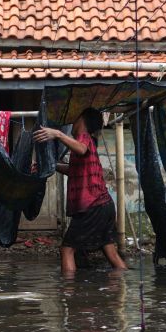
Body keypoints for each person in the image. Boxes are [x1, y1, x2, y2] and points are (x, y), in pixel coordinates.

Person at [34, 108, 128, 275]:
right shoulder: (86, 142)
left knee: (67, 249)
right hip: (104, 205)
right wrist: (52, 166)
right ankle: (122, 284)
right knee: (110, 251)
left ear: (82, 121)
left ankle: (69, 293)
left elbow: (81, 149)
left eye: (75, 119)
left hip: (93, 206)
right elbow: (74, 170)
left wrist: (58, 134)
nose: (72, 123)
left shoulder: (84, 139)